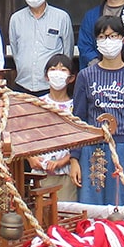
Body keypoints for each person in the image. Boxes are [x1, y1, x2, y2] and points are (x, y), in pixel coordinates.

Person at [72, 15, 124, 207]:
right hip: (92, 148)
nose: (108, 41)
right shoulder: (85, 76)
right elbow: (78, 118)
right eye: (102, 36)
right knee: (92, 210)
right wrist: (74, 157)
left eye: (113, 36)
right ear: (96, 41)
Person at [8, 0, 75, 95]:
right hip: (23, 85)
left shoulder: (61, 17)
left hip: (52, 87)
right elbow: (15, 52)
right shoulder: (15, 19)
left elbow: (67, 53)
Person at [29, 53, 81, 201]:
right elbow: (25, 136)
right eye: (53, 69)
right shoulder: (37, 104)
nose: (57, 73)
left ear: (71, 78)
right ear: (46, 76)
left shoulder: (76, 106)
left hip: (65, 172)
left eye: (63, 69)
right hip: (40, 172)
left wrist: (62, 161)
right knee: (40, 215)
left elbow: (80, 141)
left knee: (65, 215)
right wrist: (30, 158)